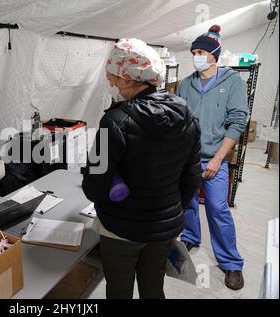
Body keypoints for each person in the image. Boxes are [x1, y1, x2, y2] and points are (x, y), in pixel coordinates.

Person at [82, 38, 202, 299]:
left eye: (113, 76)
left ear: (128, 78)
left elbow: (94, 186)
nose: (111, 82)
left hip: (121, 230)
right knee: (153, 288)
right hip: (163, 230)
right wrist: (170, 212)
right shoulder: (188, 115)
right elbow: (192, 176)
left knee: (119, 291)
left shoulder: (114, 122)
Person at [176, 25, 248, 290]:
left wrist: (219, 159)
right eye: (194, 51)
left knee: (218, 209)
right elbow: (177, 119)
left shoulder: (232, 83)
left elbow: (238, 121)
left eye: (202, 52)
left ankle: (231, 263)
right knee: (188, 203)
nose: (196, 56)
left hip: (215, 157)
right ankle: (191, 237)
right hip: (187, 158)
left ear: (214, 55)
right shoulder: (186, 84)